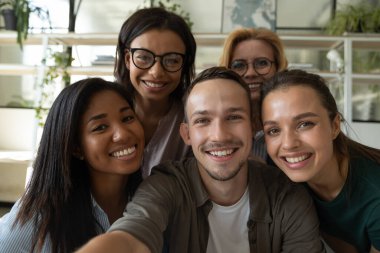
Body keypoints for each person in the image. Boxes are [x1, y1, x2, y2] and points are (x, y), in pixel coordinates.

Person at [76, 67, 325, 253]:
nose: (219, 135)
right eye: (203, 121)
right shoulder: (166, 184)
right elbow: (132, 235)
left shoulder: (286, 196)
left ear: (254, 127)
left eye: (234, 117)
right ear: (186, 134)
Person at [0, 78, 145, 253]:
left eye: (128, 118)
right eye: (100, 127)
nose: (122, 134)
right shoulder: (35, 222)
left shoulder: (154, 200)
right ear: (75, 148)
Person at [260, 69, 380, 253]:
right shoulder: (277, 170)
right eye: (274, 130)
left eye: (304, 124)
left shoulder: (374, 195)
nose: (289, 144)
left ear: (334, 126)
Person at [114, 7, 196, 178]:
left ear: (185, 64)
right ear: (128, 59)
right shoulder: (100, 108)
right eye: (144, 57)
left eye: (172, 60)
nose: (156, 72)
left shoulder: (194, 116)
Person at [219, 27, 287, 162]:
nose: (251, 73)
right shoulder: (215, 125)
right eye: (239, 65)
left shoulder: (294, 119)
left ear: (278, 68)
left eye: (262, 63)